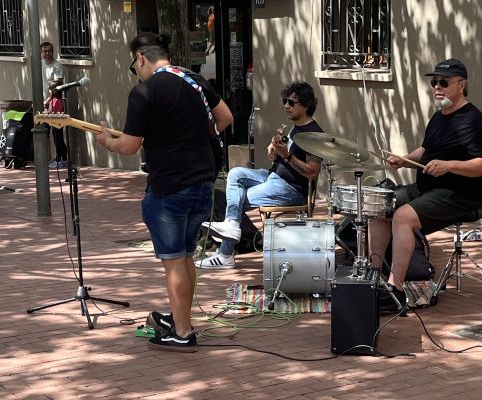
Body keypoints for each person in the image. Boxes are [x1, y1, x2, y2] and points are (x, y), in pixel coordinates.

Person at [94, 32, 232, 352]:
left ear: (140, 58)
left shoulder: (145, 91)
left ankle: (182, 332)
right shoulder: (195, 80)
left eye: (135, 67)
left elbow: (129, 146)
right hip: (203, 182)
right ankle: (182, 319)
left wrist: (107, 142)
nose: (137, 72)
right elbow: (225, 118)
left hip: (170, 186)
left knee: (173, 261)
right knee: (186, 256)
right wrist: (193, 136)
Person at [369, 58, 482, 312]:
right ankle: (373, 278)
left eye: (443, 82)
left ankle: (395, 290)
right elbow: (426, 150)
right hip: (428, 189)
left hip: (458, 194)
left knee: (403, 217)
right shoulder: (439, 117)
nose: (437, 86)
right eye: (434, 82)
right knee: (378, 206)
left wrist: (449, 166)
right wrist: (404, 159)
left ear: (461, 85)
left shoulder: (475, 121)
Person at [198, 81, 323, 269]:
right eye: (284, 101)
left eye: (291, 102)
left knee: (235, 199)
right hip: (274, 177)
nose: (286, 106)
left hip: (290, 188)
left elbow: (313, 172)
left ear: (305, 105)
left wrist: (287, 156)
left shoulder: (313, 134)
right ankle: (232, 229)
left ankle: (226, 253)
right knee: (236, 173)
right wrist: (275, 151)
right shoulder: (295, 127)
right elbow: (281, 157)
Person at [40, 42, 67, 169]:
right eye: (45, 51)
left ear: (53, 51)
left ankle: (63, 158)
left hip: (55, 101)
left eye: (49, 51)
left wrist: (48, 100)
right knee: (45, 131)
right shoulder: (40, 65)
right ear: (41, 53)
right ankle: (53, 157)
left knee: (57, 132)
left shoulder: (57, 65)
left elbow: (57, 85)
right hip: (44, 103)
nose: (47, 53)